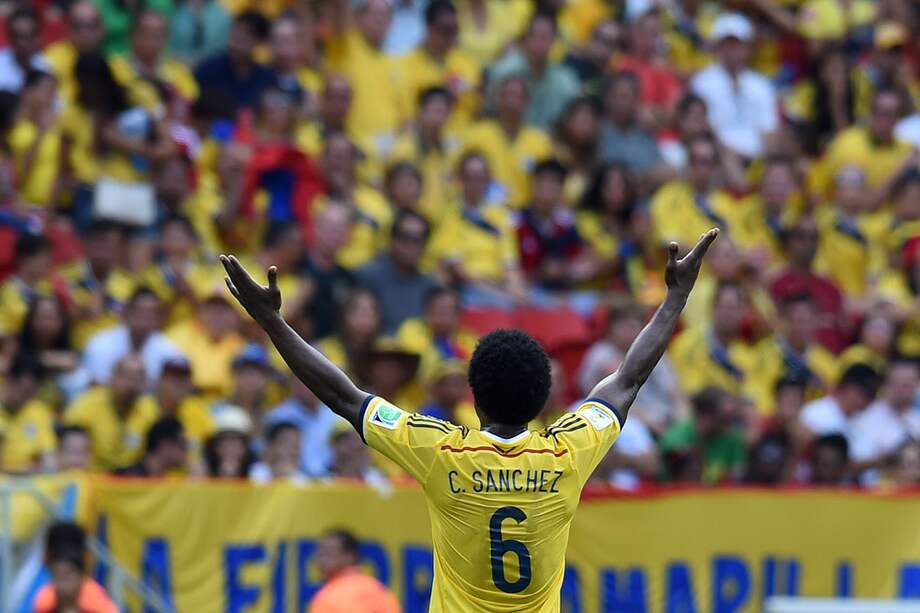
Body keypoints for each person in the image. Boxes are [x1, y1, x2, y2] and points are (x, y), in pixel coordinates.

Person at [219, 223, 718, 610]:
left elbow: (346, 397)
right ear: (544, 399)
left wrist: (272, 323)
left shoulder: (444, 454)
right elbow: (627, 380)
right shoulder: (568, 453)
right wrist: (675, 298)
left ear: (473, 398)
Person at [689, 13, 778, 160]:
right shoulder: (702, 82)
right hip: (719, 157)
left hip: (758, 159)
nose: (732, 49)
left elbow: (769, 129)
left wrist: (765, 161)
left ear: (748, 48)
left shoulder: (761, 84)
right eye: (727, 43)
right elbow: (701, 128)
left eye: (737, 44)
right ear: (717, 47)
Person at [463, 75, 553, 209]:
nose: (513, 101)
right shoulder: (477, 134)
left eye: (519, 96)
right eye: (509, 95)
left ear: (527, 102)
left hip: (525, 216)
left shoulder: (540, 141)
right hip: (484, 212)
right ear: (499, 99)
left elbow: (548, 182)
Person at [486, 12, 580, 130]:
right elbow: (489, 113)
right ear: (525, 38)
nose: (540, 43)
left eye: (545, 37)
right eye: (535, 36)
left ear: (554, 42)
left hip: (548, 143)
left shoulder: (566, 81)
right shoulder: (503, 71)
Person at [64, 354, 159, 471]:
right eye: (127, 377)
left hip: (133, 480)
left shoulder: (151, 412)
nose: (132, 385)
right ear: (112, 379)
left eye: (138, 379)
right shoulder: (86, 406)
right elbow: (67, 447)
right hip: (92, 478)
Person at [81, 287, 184, 389]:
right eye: (140, 310)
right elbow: (95, 386)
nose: (145, 317)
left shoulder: (169, 352)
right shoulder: (100, 344)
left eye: (151, 313)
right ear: (127, 312)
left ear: (159, 318)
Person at [355, 210, 438, 335]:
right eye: (404, 238)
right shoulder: (367, 276)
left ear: (425, 246)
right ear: (392, 240)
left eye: (417, 240)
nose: (410, 246)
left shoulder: (430, 286)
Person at [660, 387, 747, 485]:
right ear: (705, 416)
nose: (730, 425)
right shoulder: (678, 437)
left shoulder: (732, 438)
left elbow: (737, 477)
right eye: (724, 418)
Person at [193, 11, 277, 112]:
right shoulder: (208, 69)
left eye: (247, 34)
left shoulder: (266, 78)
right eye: (236, 31)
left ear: (259, 41)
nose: (239, 38)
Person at [32, 522, 117, 613]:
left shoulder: (101, 606)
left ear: (81, 575)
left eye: (68, 576)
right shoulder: (44, 602)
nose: (63, 585)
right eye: (58, 576)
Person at [309, 530, 400, 613]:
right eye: (320, 552)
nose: (320, 558)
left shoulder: (329, 598)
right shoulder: (381, 593)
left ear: (350, 556)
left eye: (328, 552)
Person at [265, 376, 339, 477]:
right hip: (291, 477)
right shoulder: (279, 415)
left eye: (316, 381)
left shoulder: (335, 416)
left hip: (330, 478)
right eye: (305, 381)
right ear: (293, 383)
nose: (311, 386)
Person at [0, 353, 56, 474]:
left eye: (33, 393)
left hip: (30, 483)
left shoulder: (38, 410)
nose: (28, 399)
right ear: (9, 378)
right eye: (25, 391)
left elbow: (49, 460)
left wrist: (46, 469)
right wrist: (20, 471)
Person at [114, 416, 188, 477]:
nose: (186, 453)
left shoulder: (169, 483)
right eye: (182, 446)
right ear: (165, 445)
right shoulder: (123, 478)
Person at [0, 8, 49, 93]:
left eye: (29, 36)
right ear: (10, 36)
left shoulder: (45, 66)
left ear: (38, 37)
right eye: (18, 36)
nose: (22, 43)